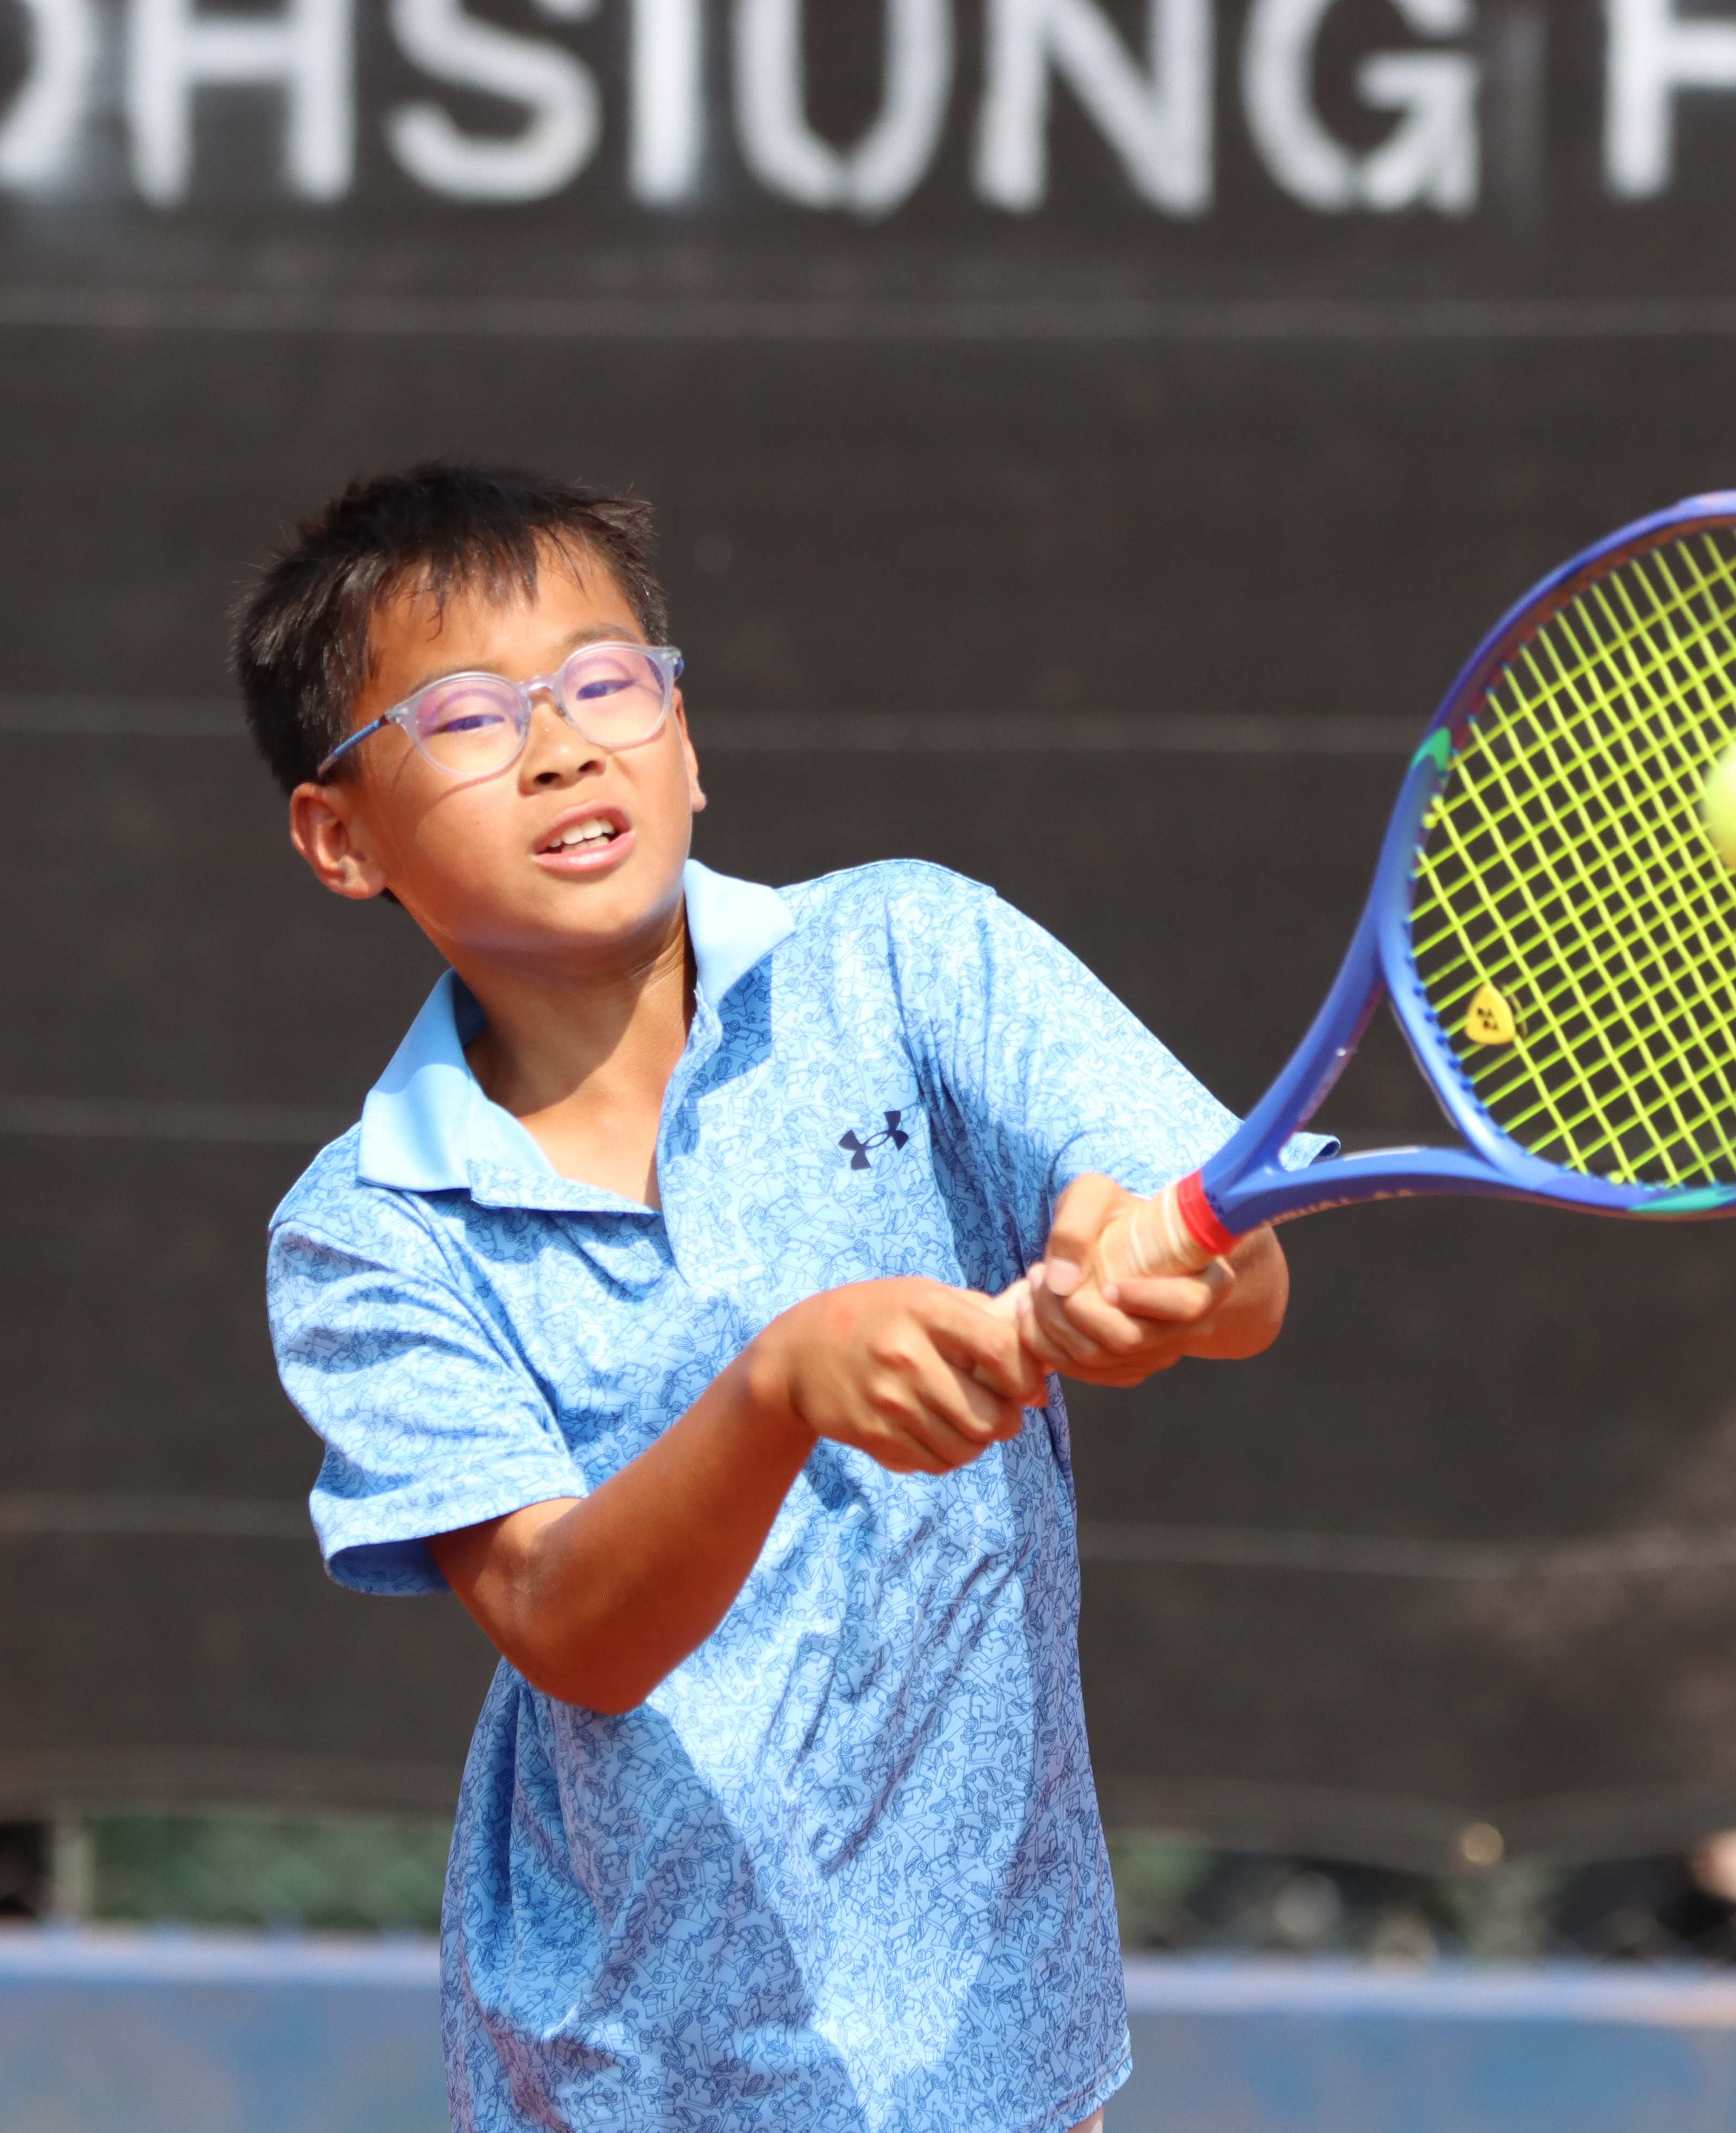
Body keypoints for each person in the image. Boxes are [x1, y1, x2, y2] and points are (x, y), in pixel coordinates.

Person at [241, 462, 1318, 2132]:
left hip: (997, 2060)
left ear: (686, 739)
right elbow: (568, 1628)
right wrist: (778, 1389)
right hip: (615, 2082)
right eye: (465, 717)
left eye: (607, 683)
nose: (561, 745)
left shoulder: (914, 956)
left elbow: (1245, 1280)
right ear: (340, 837)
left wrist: (1162, 1277)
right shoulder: (364, 1229)